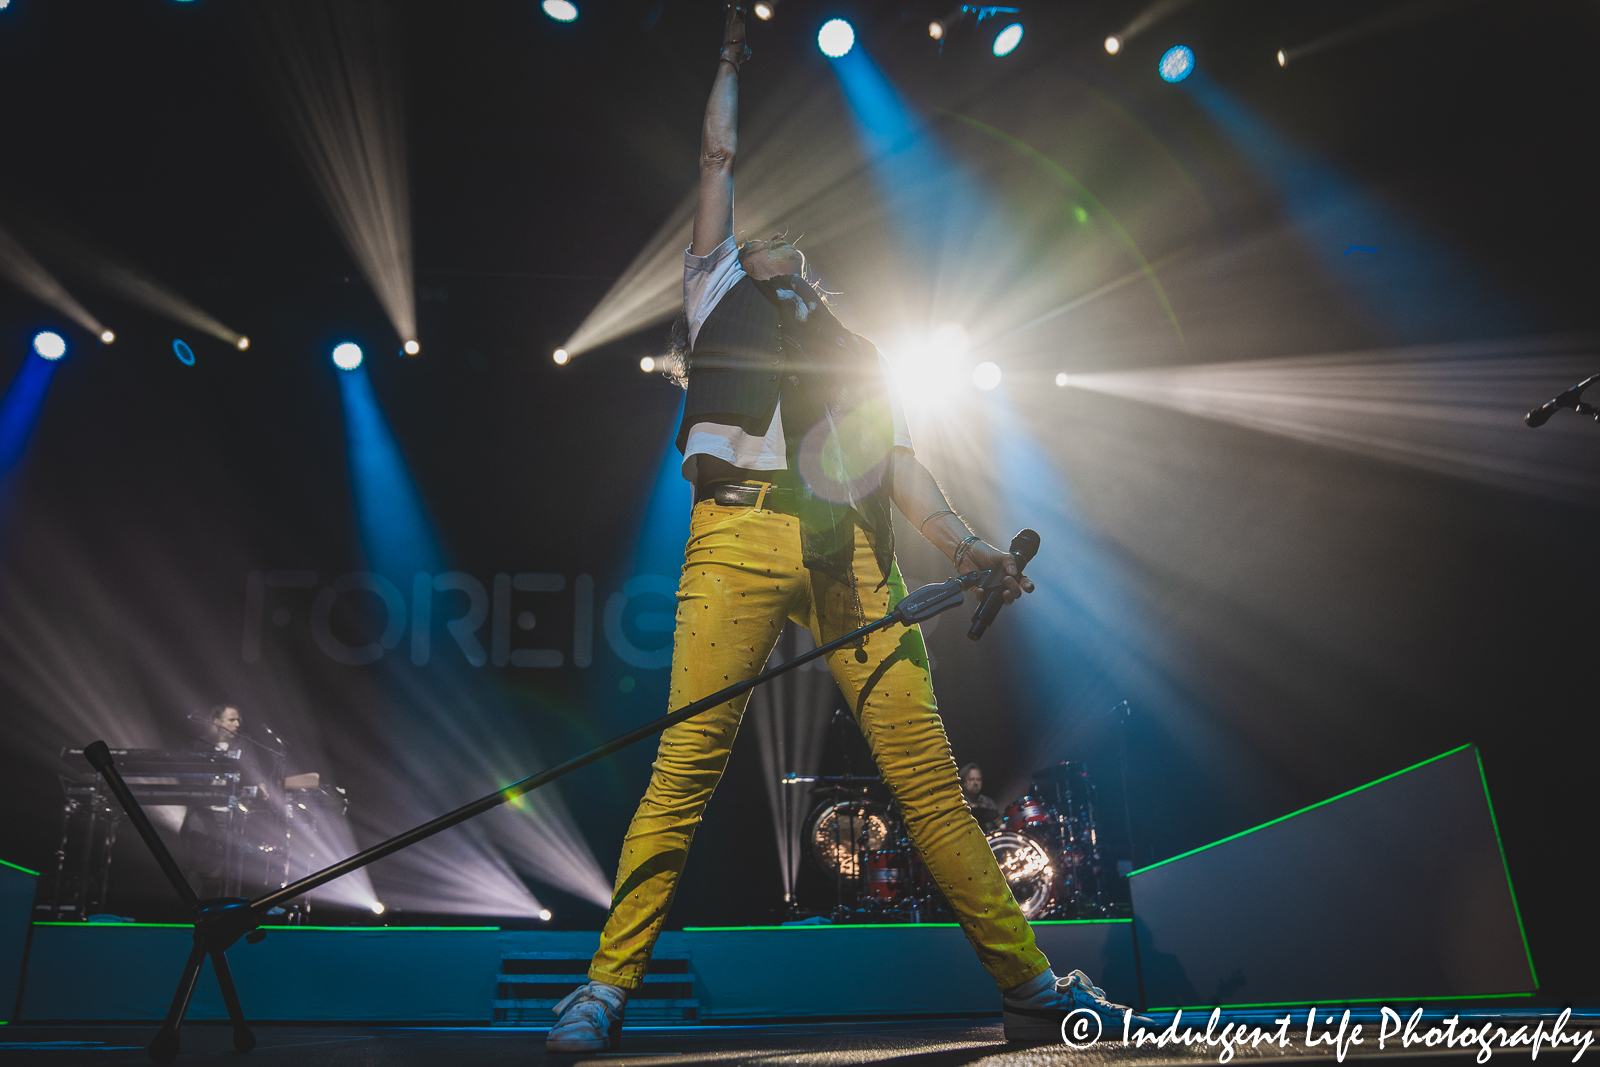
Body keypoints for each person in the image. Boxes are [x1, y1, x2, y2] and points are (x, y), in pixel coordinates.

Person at [546, 5, 1141, 1051]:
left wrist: (965, 547)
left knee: (928, 783)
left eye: (800, 248)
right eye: (766, 235)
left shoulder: (854, 347)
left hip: (857, 554)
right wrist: (729, 57)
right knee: (684, 767)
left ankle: (1029, 987)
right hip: (738, 534)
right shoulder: (715, 281)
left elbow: (901, 464)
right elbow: (716, 154)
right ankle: (603, 985)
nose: (784, 241)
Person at [960, 762, 1002, 833]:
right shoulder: (958, 803)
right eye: (971, 779)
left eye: (978, 779)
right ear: (963, 782)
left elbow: (1000, 825)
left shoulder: (988, 802)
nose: (976, 783)